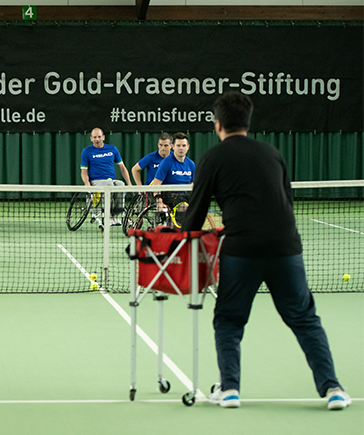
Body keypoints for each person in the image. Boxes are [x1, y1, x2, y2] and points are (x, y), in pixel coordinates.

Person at [182, 91, 351, 410]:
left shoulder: (212, 158)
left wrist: (176, 240)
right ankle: (333, 389)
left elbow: (194, 214)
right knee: (304, 319)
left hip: (241, 251)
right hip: (286, 248)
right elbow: (286, 202)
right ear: (248, 122)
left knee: (229, 320)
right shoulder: (272, 153)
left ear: (217, 125)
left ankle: (230, 389)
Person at [80, 127, 132, 225]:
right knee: (109, 184)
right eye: (94, 137)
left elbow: (122, 167)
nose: (97, 139)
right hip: (96, 182)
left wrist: (129, 184)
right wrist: (87, 184)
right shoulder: (86, 151)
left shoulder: (112, 149)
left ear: (103, 137)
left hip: (111, 180)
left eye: (99, 137)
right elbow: (84, 171)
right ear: (91, 138)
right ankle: (106, 215)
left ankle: (115, 215)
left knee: (120, 184)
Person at [150, 132, 194, 215]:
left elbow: (192, 184)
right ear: (173, 146)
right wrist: (159, 202)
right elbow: (156, 185)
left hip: (184, 195)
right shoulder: (166, 163)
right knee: (183, 207)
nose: (181, 148)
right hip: (168, 196)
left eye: (184, 146)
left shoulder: (191, 164)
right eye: (178, 145)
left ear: (188, 147)